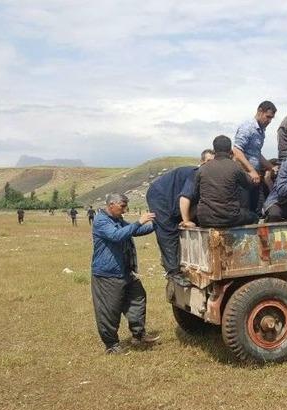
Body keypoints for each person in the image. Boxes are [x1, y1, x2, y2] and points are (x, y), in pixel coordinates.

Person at [90, 193, 159, 354]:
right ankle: (112, 346)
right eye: (122, 206)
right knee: (109, 311)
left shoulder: (118, 220)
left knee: (138, 298)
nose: (124, 209)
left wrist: (157, 224)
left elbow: (135, 231)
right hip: (108, 275)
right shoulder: (101, 220)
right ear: (111, 204)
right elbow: (117, 236)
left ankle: (138, 335)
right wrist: (139, 221)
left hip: (126, 271)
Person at [146, 149, 212, 281]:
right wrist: (186, 220)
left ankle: (185, 263)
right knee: (168, 231)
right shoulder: (197, 174)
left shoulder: (207, 177)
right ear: (201, 162)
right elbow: (184, 198)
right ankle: (173, 272)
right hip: (160, 195)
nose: (210, 165)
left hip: (174, 201)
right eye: (208, 161)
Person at [196, 135, 259, 228]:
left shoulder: (202, 169)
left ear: (214, 151)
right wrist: (251, 172)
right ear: (230, 151)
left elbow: (196, 191)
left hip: (204, 218)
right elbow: (249, 184)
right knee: (254, 217)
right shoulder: (235, 167)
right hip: (229, 218)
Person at [233, 101, 276, 213]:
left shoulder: (261, 131)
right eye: (268, 117)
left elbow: (257, 153)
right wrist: (251, 170)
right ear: (260, 111)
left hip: (255, 175)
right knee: (245, 208)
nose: (269, 121)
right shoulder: (248, 127)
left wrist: (271, 167)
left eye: (271, 118)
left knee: (256, 208)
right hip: (244, 175)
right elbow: (237, 150)